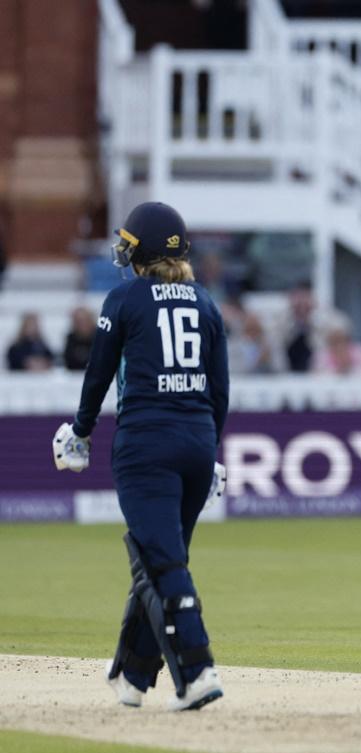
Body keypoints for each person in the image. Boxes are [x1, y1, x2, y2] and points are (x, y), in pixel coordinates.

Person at [51, 201, 229, 712]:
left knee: (163, 560)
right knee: (160, 559)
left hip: (146, 443)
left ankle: (197, 672)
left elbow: (98, 374)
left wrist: (80, 433)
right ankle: (133, 675)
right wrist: (211, 449)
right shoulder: (206, 302)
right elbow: (220, 391)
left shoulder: (125, 299)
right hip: (196, 442)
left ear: (142, 250)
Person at [63, 306, 98, 371]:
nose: (82, 324)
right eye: (79, 321)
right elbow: (68, 362)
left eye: (85, 320)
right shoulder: (71, 338)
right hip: (74, 377)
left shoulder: (101, 338)